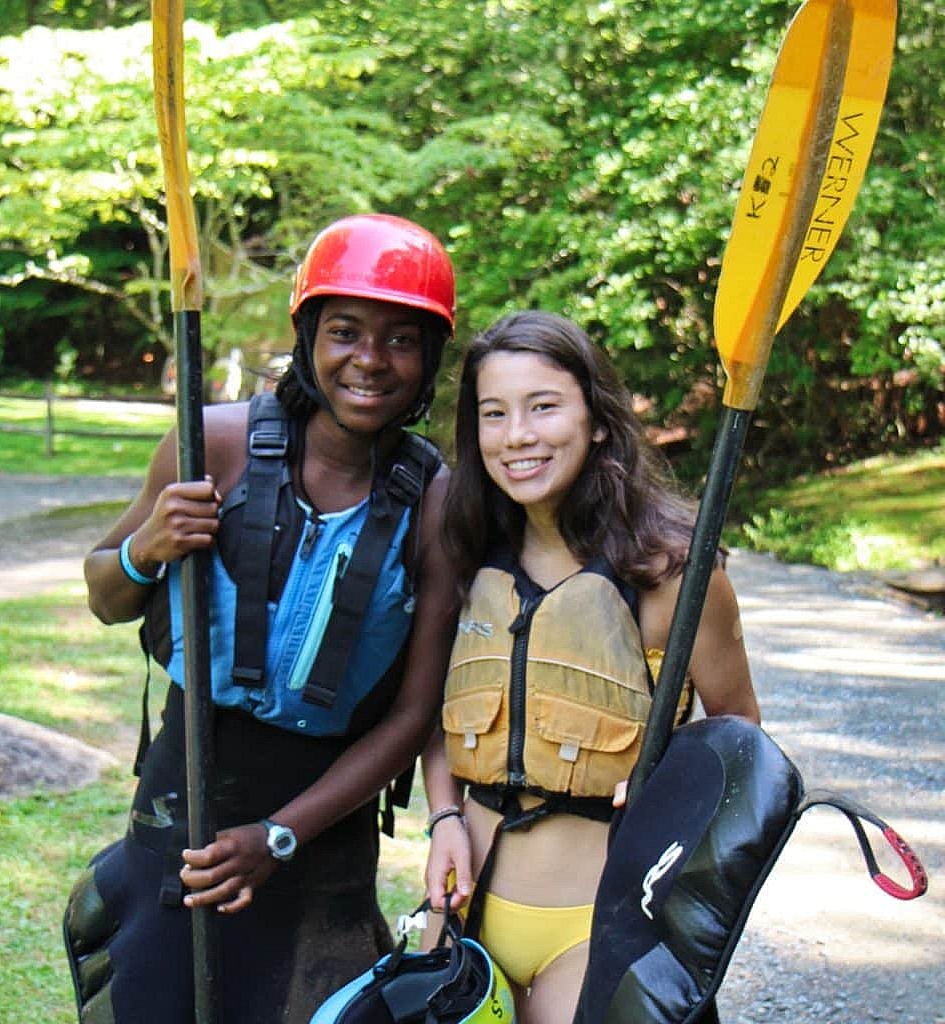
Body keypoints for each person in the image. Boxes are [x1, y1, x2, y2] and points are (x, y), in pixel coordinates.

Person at [62, 213, 460, 1023]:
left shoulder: (442, 504)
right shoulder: (211, 444)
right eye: (345, 331)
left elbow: (415, 714)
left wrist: (280, 837)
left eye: (402, 340)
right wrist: (149, 545)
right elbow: (105, 594)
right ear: (308, 333)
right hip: (185, 805)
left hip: (322, 834)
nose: (370, 361)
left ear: (429, 360)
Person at [420, 310, 760, 1024]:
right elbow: (442, 709)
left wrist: (670, 785)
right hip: (466, 910)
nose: (517, 435)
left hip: (597, 923)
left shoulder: (674, 573)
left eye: (544, 407)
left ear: (598, 419)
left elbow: (739, 738)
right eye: (494, 414)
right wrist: (443, 815)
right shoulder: (466, 546)